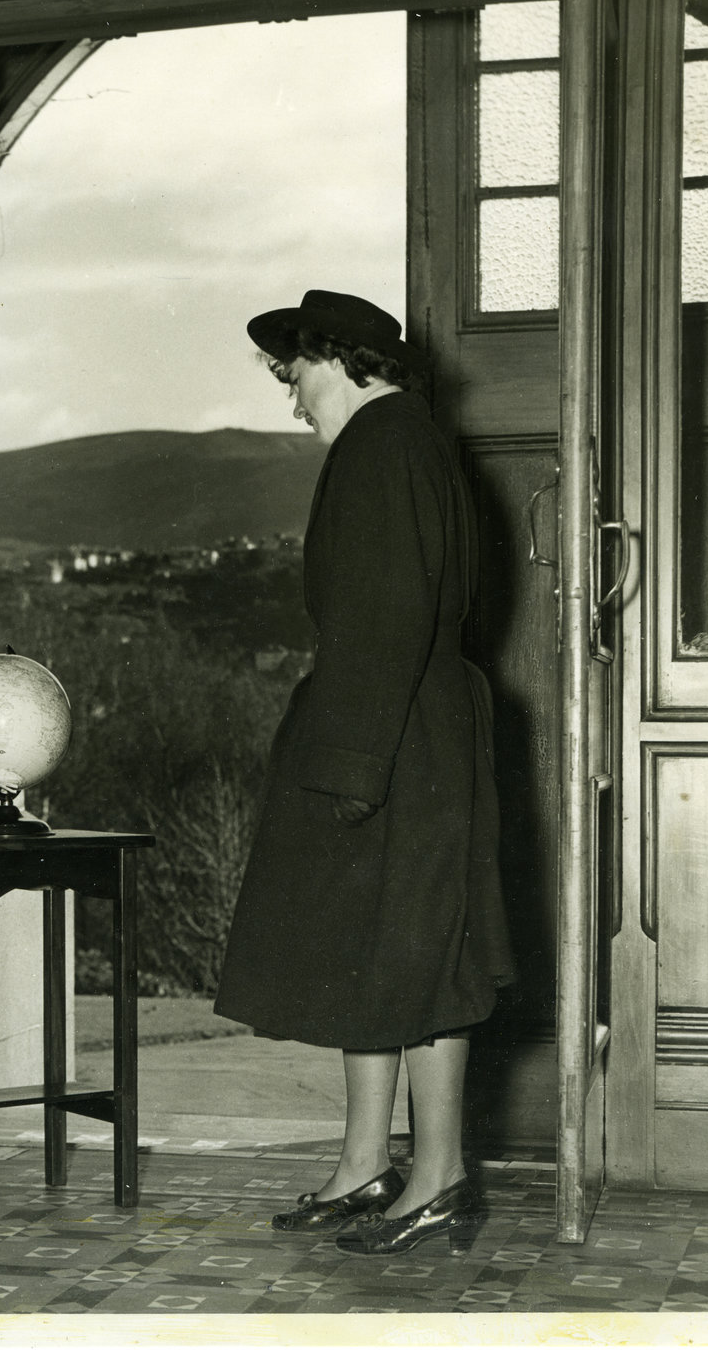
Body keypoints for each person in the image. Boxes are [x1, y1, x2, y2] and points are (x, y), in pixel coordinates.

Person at [213, 289, 515, 1257]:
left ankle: (438, 1176)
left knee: (421, 958)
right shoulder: (403, 442)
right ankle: (366, 1164)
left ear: (340, 362)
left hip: (396, 734)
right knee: (378, 946)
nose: (293, 400)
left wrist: (351, 765)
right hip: (408, 728)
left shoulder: (382, 450)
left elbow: (383, 621)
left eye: (296, 376)